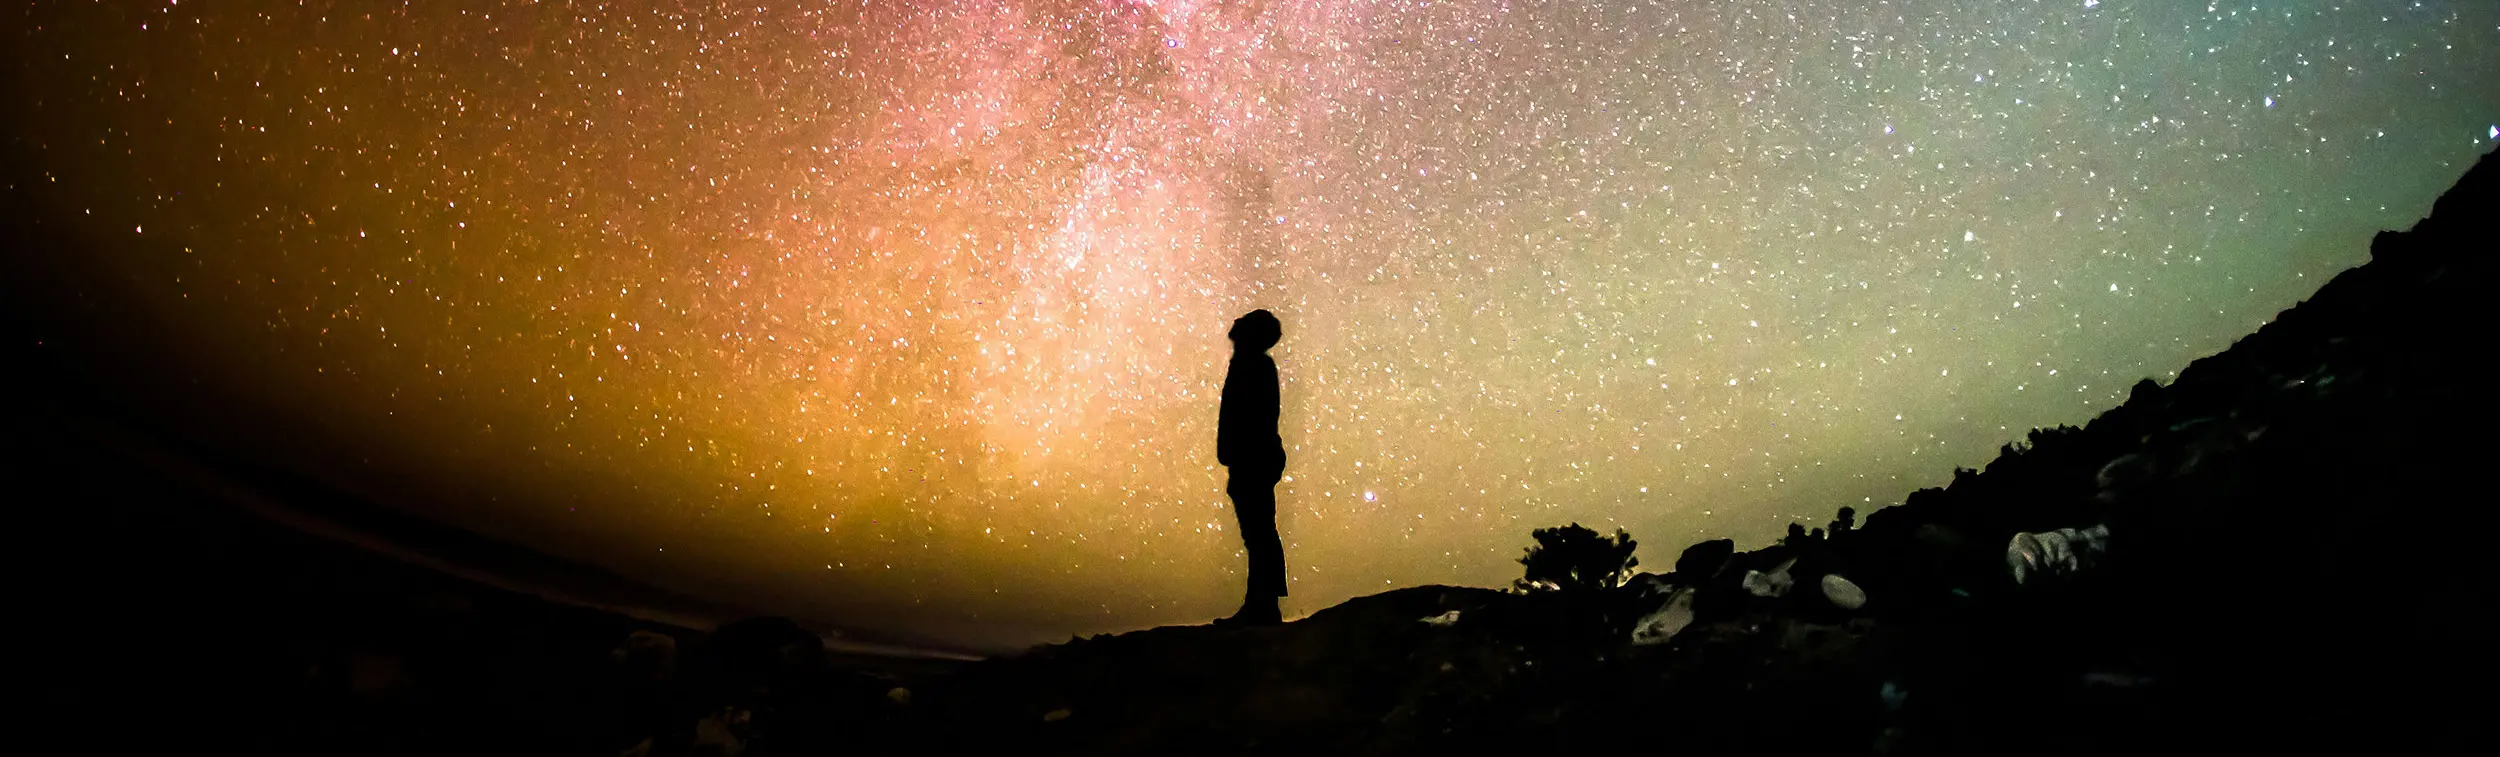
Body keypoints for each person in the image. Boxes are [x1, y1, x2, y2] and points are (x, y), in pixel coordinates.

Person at [1216, 310, 1287, 626]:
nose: (1233, 328)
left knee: (1259, 532)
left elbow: (1252, 417)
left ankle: (1263, 606)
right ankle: (1261, 604)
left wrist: (1237, 452)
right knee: (1258, 532)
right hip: (1253, 457)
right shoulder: (1253, 365)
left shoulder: (1253, 367)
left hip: (1253, 458)